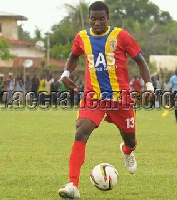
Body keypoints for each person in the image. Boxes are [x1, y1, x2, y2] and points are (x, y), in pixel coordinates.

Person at [57, 1, 154, 199]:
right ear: (89, 18)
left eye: (101, 18)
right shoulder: (82, 37)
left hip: (121, 98)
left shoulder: (120, 36)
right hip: (94, 96)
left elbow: (140, 60)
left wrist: (149, 85)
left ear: (107, 18)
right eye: (93, 18)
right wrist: (65, 74)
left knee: (131, 139)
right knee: (81, 130)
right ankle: (73, 185)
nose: (97, 22)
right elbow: (74, 55)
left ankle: (127, 151)